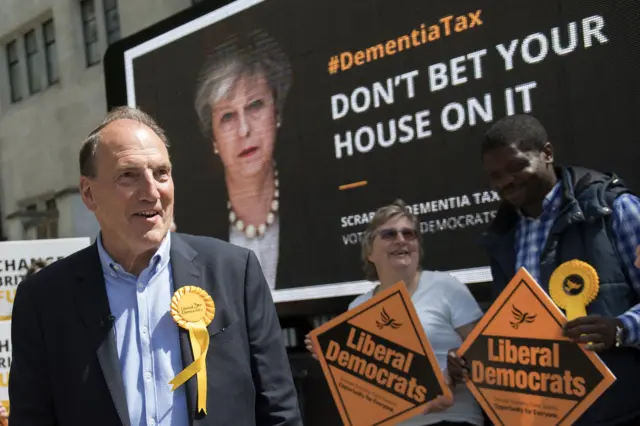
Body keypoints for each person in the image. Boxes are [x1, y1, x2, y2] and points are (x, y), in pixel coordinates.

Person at [8, 106, 302, 426]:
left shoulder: (235, 272)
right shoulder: (44, 299)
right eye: (129, 176)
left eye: (161, 173)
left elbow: (279, 410)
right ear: (89, 193)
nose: (151, 192)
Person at [448, 114, 640, 425]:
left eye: (516, 167)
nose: (505, 181)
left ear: (547, 154)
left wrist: (621, 329)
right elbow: (514, 331)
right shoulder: (503, 239)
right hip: (543, 416)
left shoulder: (614, 209)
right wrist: (472, 360)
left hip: (617, 413)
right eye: (495, 176)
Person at [305, 200, 485, 426]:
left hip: (451, 419)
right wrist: (333, 357)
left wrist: (452, 376)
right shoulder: (357, 307)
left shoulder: (446, 287)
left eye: (409, 234)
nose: (401, 239)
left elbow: (484, 355)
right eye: (389, 234)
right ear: (370, 251)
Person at [194, 29, 292, 290]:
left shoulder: (317, 208)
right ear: (214, 139)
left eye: (255, 105)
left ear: (277, 113)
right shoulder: (192, 240)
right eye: (227, 117)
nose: (244, 130)